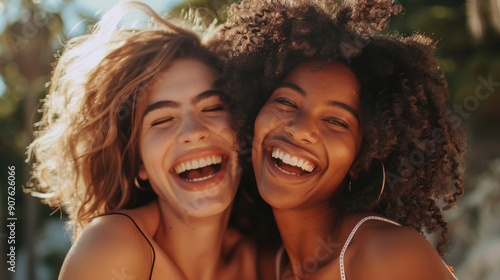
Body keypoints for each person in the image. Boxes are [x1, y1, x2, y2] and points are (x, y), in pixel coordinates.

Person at [214, 0, 466, 279]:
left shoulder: (389, 255)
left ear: (360, 160)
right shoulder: (265, 265)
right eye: (286, 102)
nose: (300, 130)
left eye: (335, 121)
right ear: (252, 115)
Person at [27, 2, 258, 279]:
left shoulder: (263, 260)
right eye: (161, 120)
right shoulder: (112, 247)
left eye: (213, 108)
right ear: (140, 164)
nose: (192, 132)